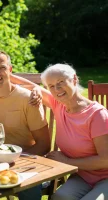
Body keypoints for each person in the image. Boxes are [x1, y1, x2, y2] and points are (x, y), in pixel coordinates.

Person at [12, 64, 108, 200]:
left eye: (61, 82)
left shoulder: (97, 114)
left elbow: (106, 160)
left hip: (106, 178)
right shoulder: (59, 105)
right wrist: (5, 73)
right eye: (51, 86)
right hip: (83, 176)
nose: (57, 89)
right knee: (59, 197)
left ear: (74, 79)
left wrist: (67, 161)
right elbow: (28, 85)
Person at [0, 50, 50, 200]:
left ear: (10, 70)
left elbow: (45, 145)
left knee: (27, 192)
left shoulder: (29, 99)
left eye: (2, 68)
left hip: (27, 162)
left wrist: (15, 161)